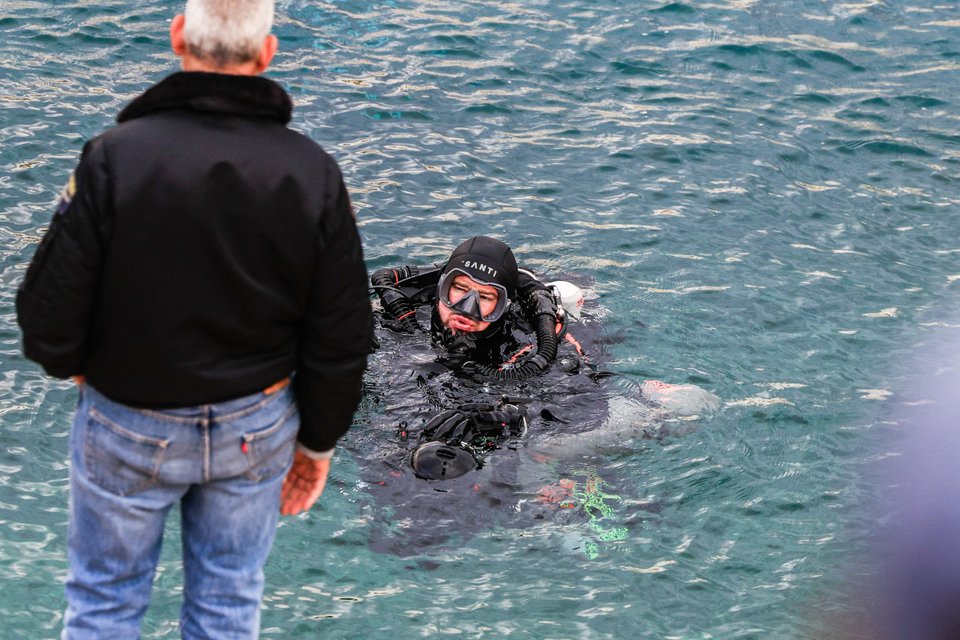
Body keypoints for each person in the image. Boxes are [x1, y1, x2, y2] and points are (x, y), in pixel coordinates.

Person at [15, 1, 373, 637]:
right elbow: (340, 333)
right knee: (228, 607)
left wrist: (81, 373)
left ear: (178, 35)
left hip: (127, 416)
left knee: (103, 603)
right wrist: (316, 443)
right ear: (267, 55)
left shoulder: (113, 157)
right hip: (255, 425)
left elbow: (46, 316)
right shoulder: (312, 170)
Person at [371, 235, 572, 480]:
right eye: (460, 289)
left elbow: (582, 409)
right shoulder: (398, 325)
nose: (467, 308)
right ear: (441, 289)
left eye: (485, 298)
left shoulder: (525, 342)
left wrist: (505, 419)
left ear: (504, 307)